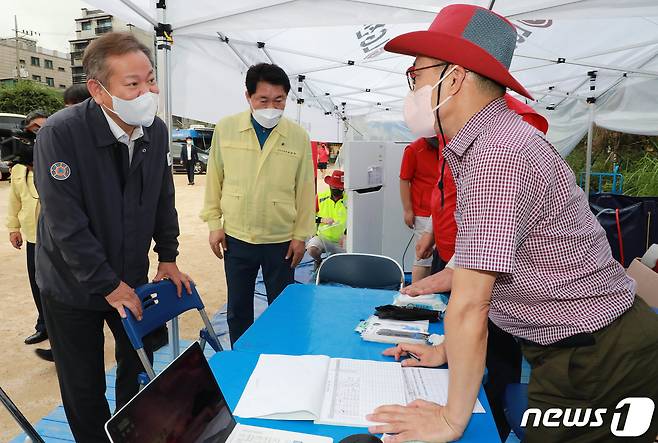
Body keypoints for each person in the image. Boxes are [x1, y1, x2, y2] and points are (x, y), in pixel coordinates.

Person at [367, 5, 658, 443]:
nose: (413, 89)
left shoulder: (498, 156)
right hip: (583, 348)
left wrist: (450, 420)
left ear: (455, 78)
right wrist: (445, 348)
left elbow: (472, 304)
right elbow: (509, 255)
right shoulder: (487, 144)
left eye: (417, 76)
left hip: (598, 359)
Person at [33, 32, 192, 442]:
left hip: (130, 275)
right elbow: (65, 222)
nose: (147, 92)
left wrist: (168, 255)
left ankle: (132, 433)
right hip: (71, 285)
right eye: (133, 84)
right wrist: (106, 283)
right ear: (98, 90)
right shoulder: (61, 133)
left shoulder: (155, 131)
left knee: (138, 365)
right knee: (83, 384)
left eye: (150, 80)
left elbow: (162, 197)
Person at [201, 63, 315, 345]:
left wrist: (301, 236)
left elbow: (305, 189)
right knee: (238, 310)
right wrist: (214, 224)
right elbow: (214, 178)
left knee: (282, 310)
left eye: (279, 100)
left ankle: (279, 357)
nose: (271, 108)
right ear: (248, 97)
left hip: (281, 240)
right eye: (263, 100)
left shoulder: (298, 136)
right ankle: (243, 357)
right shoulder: (227, 129)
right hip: (237, 237)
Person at [6, 111, 48, 348]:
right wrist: (13, 228)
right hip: (33, 236)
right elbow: (14, 199)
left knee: (59, 286)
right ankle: (43, 326)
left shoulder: (56, 159)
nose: (38, 135)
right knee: (37, 282)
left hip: (57, 237)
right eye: (34, 130)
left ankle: (63, 328)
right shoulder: (18, 168)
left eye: (43, 129)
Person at [399, 137, 440, 283]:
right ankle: (416, 292)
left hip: (443, 209)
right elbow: (404, 179)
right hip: (423, 212)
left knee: (437, 257)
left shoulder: (448, 146)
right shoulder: (413, 149)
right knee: (423, 258)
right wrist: (408, 210)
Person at [306, 170, 347, 268]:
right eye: (334, 187)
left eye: (339, 188)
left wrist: (346, 234)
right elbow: (308, 216)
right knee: (311, 249)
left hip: (341, 241)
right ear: (329, 186)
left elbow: (356, 220)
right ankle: (319, 261)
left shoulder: (350, 199)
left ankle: (336, 259)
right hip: (322, 237)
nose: (336, 190)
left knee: (346, 262)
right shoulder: (320, 197)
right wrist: (321, 219)